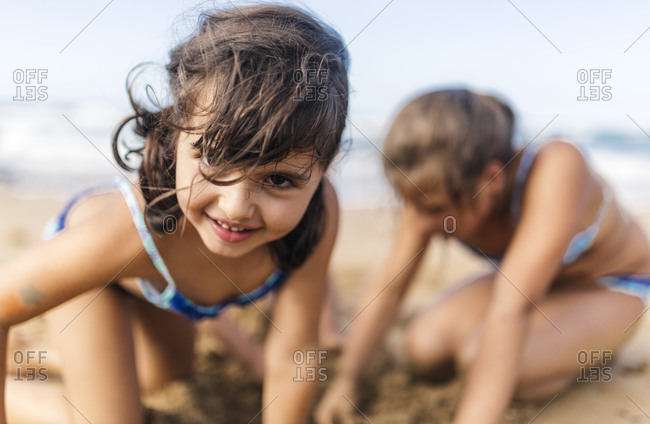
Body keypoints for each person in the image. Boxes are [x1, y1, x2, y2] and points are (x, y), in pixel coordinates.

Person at [0, 4, 349, 423]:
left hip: (164, 293)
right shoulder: (133, 231)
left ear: (323, 170)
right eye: (213, 161)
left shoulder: (319, 213)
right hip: (95, 280)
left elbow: (294, 353)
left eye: (278, 181)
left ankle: (50, 360)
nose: (235, 207)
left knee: (166, 375)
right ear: (174, 132)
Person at [315, 89, 650, 424]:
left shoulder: (558, 166)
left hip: (609, 287)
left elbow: (509, 310)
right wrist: (346, 383)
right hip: (537, 284)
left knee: (481, 357)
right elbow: (388, 290)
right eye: (409, 203)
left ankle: (586, 353)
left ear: (491, 179)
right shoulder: (428, 191)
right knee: (424, 346)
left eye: (433, 209)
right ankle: (559, 343)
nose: (417, 220)